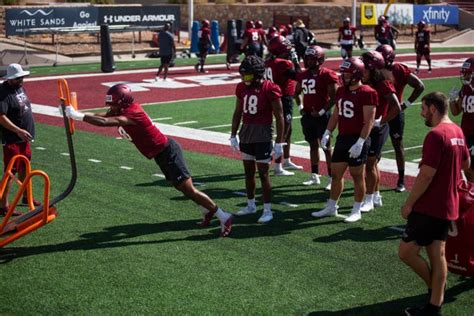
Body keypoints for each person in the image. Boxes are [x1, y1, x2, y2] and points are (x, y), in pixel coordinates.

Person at [62, 84, 233, 237]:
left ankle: (223, 216)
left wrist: (78, 117)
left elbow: (105, 121)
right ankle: (206, 210)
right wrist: (78, 114)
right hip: (160, 154)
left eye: (113, 104)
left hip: (168, 152)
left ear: (123, 102)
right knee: (181, 188)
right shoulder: (121, 110)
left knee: (189, 190)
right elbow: (103, 115)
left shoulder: (133, 113)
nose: (111, 107)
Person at [399, 91, 470, 316]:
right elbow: (466, 163)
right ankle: (434, 305)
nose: (422, 113)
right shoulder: (457, 131)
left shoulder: (436, 134)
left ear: (433, 108)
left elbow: (426, 175)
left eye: (423, 109)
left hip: (429, 205)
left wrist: (409, 204)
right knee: (438, 255)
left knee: (406, 252)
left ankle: (434, 290)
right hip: (449, 205)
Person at [312, 57, 376, 223]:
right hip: (343, 138)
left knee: (357, 175)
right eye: (344, 74)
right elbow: (336, 113)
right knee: (336, 174)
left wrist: (361, 142)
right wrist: (327, 131)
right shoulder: (341, 91)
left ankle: (357, 209)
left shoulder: (368, 92)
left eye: (348, 74)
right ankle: (332, 206)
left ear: (357, 74)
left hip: (358, 139)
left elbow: (369, 121)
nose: (345, 77)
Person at [230, 55, 284, 223]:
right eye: (242, 74)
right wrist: (233, 135)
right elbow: (238, 112)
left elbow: (280, 116)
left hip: (263, 134)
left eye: (247, 75)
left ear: (257, 74)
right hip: (246, 133)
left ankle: (267, 210)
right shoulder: (241, 87)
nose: (243, 78)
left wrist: (279, 142)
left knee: (263, 174)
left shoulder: (270, 88)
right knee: (248, 172)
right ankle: (251, 205)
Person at [376, 44, 425, 192]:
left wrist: (406, 104)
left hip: (395, 112)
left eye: (381, 57)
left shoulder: (399, 69)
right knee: (375, 146)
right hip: (380, 112)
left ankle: (401, 180)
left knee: (398, 145)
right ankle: (373, 180)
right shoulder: (375, 70)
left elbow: (419, 86)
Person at [360, 51, 401, 212]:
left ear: (373, 69)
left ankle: (369, 199)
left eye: (365, 69)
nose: (361, 72)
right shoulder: (364, 82)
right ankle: (376, 195)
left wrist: (381, 121)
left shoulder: (383, 84)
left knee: (369, 164)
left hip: (377, 128)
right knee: (372, 164)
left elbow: (396, 107)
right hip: (366, 126)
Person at [294, 45, 339, 188]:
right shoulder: (303, 75)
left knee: (326, 146)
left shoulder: (327, 74)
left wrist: (321, 111)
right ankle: (315, 175)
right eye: (307, 58)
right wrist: (301, 107)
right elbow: (296, 92)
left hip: (323, 116)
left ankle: (332, 178)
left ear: (320, 60)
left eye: (312, 58)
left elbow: (334, 97)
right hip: (308, 116)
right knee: (313, 145)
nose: (309, 61)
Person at [0, 63, 40, 217]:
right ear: (10, 79)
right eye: (17, 78)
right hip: (12, 139)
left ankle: (26, 196)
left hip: (24, 138)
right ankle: (3, 206)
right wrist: (18, 130)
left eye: (22, 77)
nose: (21, 80)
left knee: (25, 168)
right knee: (10, 172)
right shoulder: (3, 93)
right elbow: (1, 117)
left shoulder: (19, 88)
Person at [265, 35, 303, 176]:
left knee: (288, 128)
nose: (289, 49)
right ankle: (278, 165)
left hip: (273, 97)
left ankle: (286, 159)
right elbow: (299, 75)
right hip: (283, 98)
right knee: (284, 130)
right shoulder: (283, 63)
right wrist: (295, 60)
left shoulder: (269, 61)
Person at [449, 57, 474, 183]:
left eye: (468, 72)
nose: (465, 75)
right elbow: (455, 112)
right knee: (467, 169)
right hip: (466, 134)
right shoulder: (465, 88)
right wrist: (452, 100)